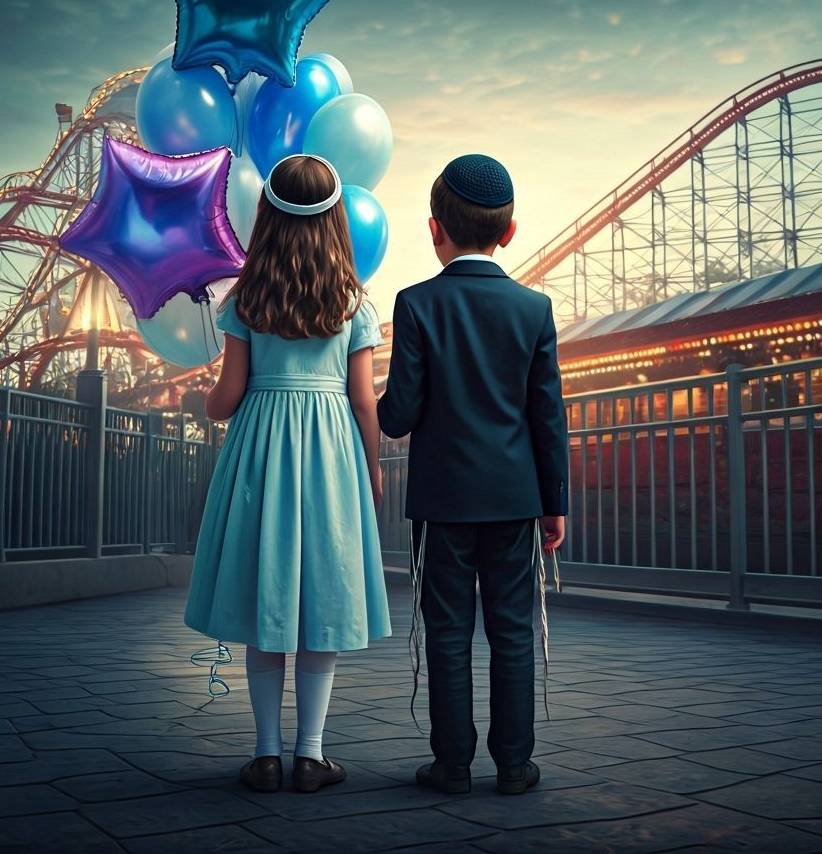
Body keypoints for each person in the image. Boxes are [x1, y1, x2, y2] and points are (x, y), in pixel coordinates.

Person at [184, 154, 392, 795]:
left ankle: (266, 754)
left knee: (266, 593)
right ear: (335, 221)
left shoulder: (246, 300)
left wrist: (203, 399)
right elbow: (363, 401)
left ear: (268, 219)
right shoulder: (353, 303)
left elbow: (227, 399)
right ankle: (312, 754)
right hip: (329, 450)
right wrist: (374, 466)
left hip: (263, 449)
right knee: (322, 594)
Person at [377, 153, 568, 796]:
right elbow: (548, 418)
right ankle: (515, 765)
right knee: (513, 633)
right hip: (516, 499)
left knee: (448, 633)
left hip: (442, 502)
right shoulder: (533, 309)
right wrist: (555, 504)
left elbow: (398, 416)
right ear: (509, 232)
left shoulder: (415, 303)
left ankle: (451, 764)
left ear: (435, 229)